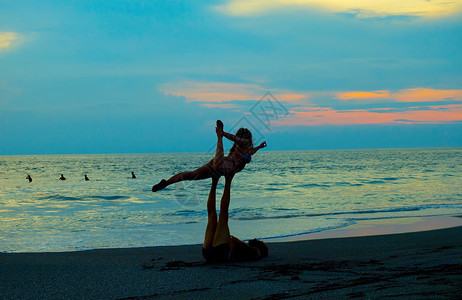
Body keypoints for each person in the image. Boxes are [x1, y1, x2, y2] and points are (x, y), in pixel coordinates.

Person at [202, 128, 268, 263]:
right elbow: (250, 151)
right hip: (211, 253)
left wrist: (223, 134)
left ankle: (223, 181)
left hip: (218, 253)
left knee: (220, 216)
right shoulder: (246, 251)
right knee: (214, 215)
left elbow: (235, 241)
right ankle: (216, 182)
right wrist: (260, 147)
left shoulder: (251, 251)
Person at [152, 120, 267, 192]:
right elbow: (235, 138)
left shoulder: (243, 148)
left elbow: (250, 152)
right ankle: (219, 137)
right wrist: (222, 133)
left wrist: (259, 147)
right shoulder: (244, 143)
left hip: (220, 164)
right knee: (201, 173)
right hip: (226, 166)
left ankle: (167, 182)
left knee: (192, 175)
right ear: (248, 137)